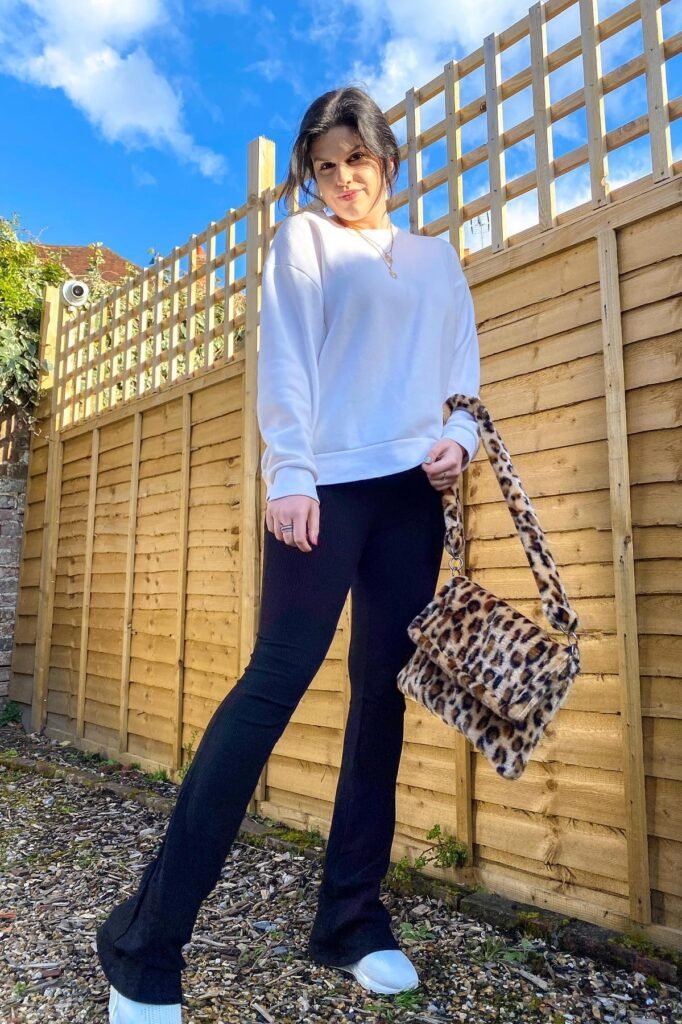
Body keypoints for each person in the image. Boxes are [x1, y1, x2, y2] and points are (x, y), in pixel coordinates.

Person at [97, 84, 481, 1024]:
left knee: (380, 698)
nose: (343, 179)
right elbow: (289, 359)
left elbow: (463, 371)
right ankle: (142, 946)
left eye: (357, 159)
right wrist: (290, 473)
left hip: (412, 498)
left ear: (387, 160)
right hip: (324, 489)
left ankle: (351, 921)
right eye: (325, 165)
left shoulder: (437, 261)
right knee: (272, 685)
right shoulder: (303, 243)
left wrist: (459, 441)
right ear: (312, 175)